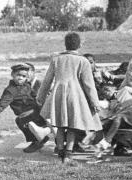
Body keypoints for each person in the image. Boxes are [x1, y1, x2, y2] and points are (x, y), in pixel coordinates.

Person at [37, 32, 101, 164]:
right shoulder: (83, 61)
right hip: (75, 96)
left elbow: (47, 81)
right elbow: (89, 85)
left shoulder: (56, 59)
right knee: (72, 126)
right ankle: (68, 153)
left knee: (60, 125)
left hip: (58, 94)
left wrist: (40, 96)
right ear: (80, 45)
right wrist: (95, 102)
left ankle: (60, 151)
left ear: (65, 44)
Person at [0, 63, 52, 153]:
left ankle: (39, 140)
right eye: (18, 75)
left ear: (26, 77)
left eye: (23, 76)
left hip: (34, 114)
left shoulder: (27, 86)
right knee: (20, 121)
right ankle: (39, 140)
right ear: (12, 75)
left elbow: (36, 96)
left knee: (21, 121)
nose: (20, 78)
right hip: (31, 114)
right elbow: (1, 104)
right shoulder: (11, 90)